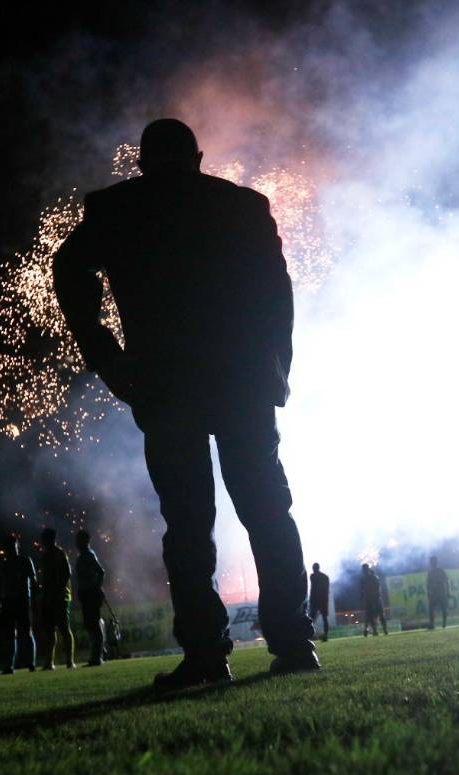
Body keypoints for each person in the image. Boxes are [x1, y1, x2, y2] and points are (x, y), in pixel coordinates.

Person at [53, 118, 316, 688]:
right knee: (267, 510)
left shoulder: (115, 208)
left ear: (142, 161)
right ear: (198, 157)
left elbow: (68, 273)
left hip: (167, 386)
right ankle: (293, 641)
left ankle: (205, 653)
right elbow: (277, 294)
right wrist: (277, 370)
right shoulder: (242, 206)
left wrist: (109, 358)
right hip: (241, 382)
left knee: (189, 524)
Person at [0, 534, 38, 673]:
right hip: (12, 600)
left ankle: (27, 663)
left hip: (21, 599)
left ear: (16, 547)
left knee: (24, 632)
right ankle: (15, 664)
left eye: (12, 547)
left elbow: (33, 581)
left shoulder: (23, 561)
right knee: (13, 633)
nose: (11, 550)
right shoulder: (7, 563)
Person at [39, 529, 76, 670]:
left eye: (44, 538)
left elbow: (67, 573)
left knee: (64, 628)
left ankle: (69, 661)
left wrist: (58, 590)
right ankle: (49, 662)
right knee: (49, 630)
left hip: (61, 597)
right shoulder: (46, 555)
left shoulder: (59, 554)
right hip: (49, 597)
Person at [75, 530, 107, 667]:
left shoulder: (88, 554)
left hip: (90, 593)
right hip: (86, 593)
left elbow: (101, 571)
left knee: (93, 623)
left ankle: (97, 657)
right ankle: (99, 652)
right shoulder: (83, 555)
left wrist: (96, 587)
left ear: (86, 541)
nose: (77, 543)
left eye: (79, 540)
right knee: (91, 623)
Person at [360, 563, 388, 636]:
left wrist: (366, 597)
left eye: (364, 570)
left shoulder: (369, 578)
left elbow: (363, 590)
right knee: (374, 615)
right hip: (374, 598)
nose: (363, 571)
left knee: (374, 615)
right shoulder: (373, 577)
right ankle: (380, 630)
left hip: (373, 598)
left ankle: (380, 630)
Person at [309, 563, 331, 642]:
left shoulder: (312, 576)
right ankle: (325, 635)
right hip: (323, 600)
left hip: (316, 600)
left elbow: (313, 589)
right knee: (323, 618)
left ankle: (310, 634)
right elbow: (327, 589)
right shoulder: (325, 577)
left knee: (312, 618)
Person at [426, 555, 450, 630]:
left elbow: (446, 581)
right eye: (432, 562)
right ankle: (436, 624)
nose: (432, 563)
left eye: (433, 562)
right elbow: (428, 584)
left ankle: (442, 624)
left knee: (442, 609)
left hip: (439, 593)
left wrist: (448, 591)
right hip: (436, 593)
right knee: (433, 609)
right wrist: (429, 592)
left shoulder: (439, 571)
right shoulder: (432, 572)